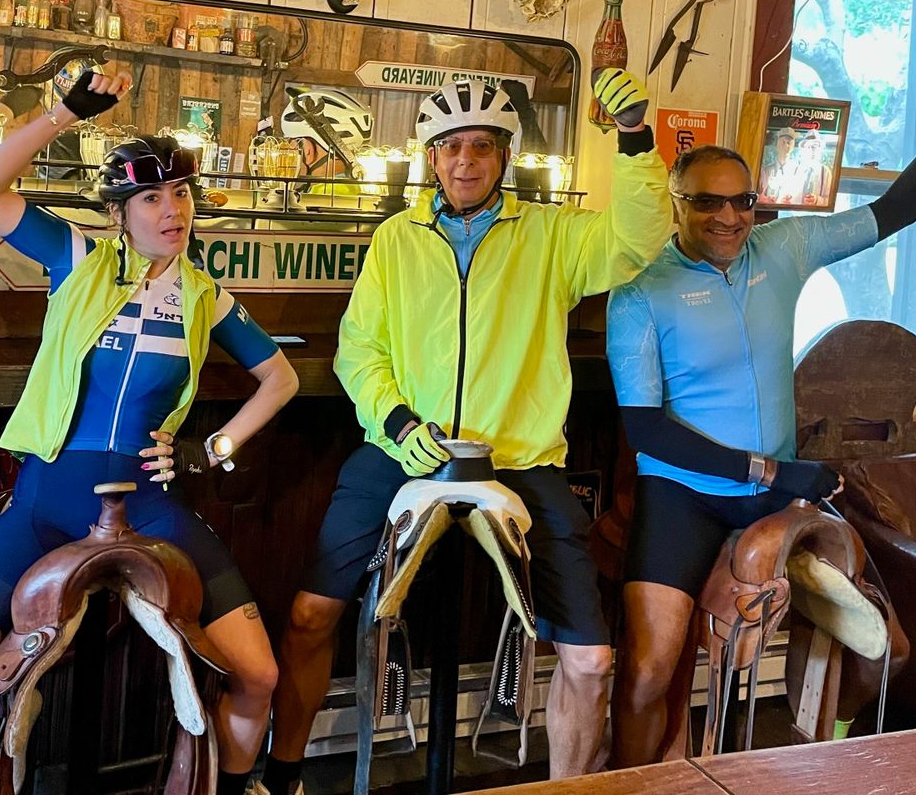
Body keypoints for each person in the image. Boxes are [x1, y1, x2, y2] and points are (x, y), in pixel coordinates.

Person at [261, 71, 671, 792]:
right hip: (404, 452)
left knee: (591, 661)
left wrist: (635, 139)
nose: (465, 161)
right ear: (431, 157)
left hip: (518, 459)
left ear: (505, 156)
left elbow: (637, 238)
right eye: (451, 147)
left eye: (482, 146)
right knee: (310, 614)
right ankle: (282, 774)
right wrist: (395, 421)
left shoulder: (551, 234)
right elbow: (360, 350)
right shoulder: (396, 240)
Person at [0, 69, 300, 795]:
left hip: (148, 504)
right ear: (119, 212)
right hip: (46, 501)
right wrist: (63, 113)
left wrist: (211, 450)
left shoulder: (207, 296)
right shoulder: (78, 256)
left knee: (260, 675)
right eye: (151, 197)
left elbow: (281, 379)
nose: (172, 210)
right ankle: (16, 722)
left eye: (181, 193)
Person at [606, 57, 916, 767]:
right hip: (684, 495)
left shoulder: (783, 248)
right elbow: (646, 429)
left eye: (742, 201)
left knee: (880, 645)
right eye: (708, 203)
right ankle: (627, 784)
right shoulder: (640, 294)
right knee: (649, 669)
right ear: (676, 203)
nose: (729, 217)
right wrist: (774, 471)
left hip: (778, 491)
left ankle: (820, 762)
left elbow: (899, 208)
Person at [278, 86, 373, 203]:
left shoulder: (316, 201)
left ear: (308, 150)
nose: (287, 152)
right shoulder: (353, 193)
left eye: (291, 144)